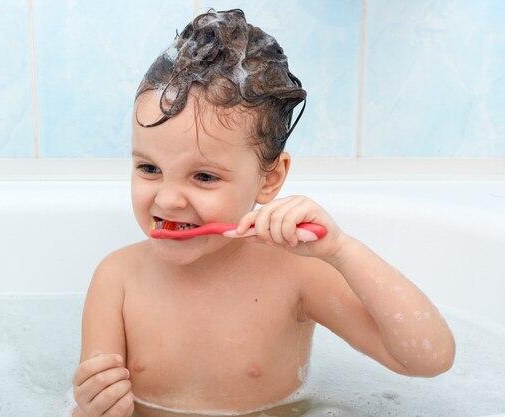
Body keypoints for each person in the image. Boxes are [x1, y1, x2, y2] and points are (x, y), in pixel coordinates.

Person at [71, 9, 455, 417]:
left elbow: (429, 359)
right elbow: (93, 402)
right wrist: (89, 408)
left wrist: (340, 250)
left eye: (203, 176)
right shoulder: (117, 279)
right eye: (149, 169)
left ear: (269, 180)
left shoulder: (295, 274)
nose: (167, 200)